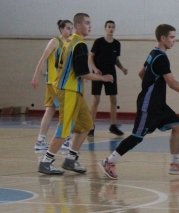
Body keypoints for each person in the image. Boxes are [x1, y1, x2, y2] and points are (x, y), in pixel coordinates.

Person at [99, 24, 179, 180]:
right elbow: (172, 83)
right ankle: (108, 161)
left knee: (178, 127)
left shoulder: (153, 53)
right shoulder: (161, 58)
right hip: (149, 105)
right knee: (136, 137)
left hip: (158, 105)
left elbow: (141, 73)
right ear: (163, 38)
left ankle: (174, 164)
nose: (174, 40)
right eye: (172, 37)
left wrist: (151, 86)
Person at [38, 13, 114, 176]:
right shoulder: (79, 44)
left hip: (75, 91)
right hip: (69, 91)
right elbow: (82, 73)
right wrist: (103, 78)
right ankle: (46, 162)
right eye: (87, 23)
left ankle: (70, 160)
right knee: (64, 127)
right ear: (78, 25)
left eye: (90, 23)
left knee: (86, 125)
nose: (90, 26)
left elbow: (69, 67)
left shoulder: (68, 42)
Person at [31, 20, 73, 151]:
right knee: (66, 110)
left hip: (61, 82)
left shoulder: (70, 43)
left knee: (50, 110)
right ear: (61, 29)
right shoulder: (55, 42)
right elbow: (43, 59)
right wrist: (35, 76)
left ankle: (40, 140)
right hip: (54, 83)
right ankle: (66, 140)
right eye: (68, 28)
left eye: (71, 28)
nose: (70, 31)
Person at [89, 20, 128, 137]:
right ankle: (91, 126)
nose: (111, 29)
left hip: (111, 73)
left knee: (114, 99)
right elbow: (90, 57)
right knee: (96, 99)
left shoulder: (117, 44)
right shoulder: (99, 42)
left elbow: (116, 60)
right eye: (109, 27)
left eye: (113, 27)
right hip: (98, 73)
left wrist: (122, 68)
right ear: (105, 28)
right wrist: (95, 69)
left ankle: (113, 126)